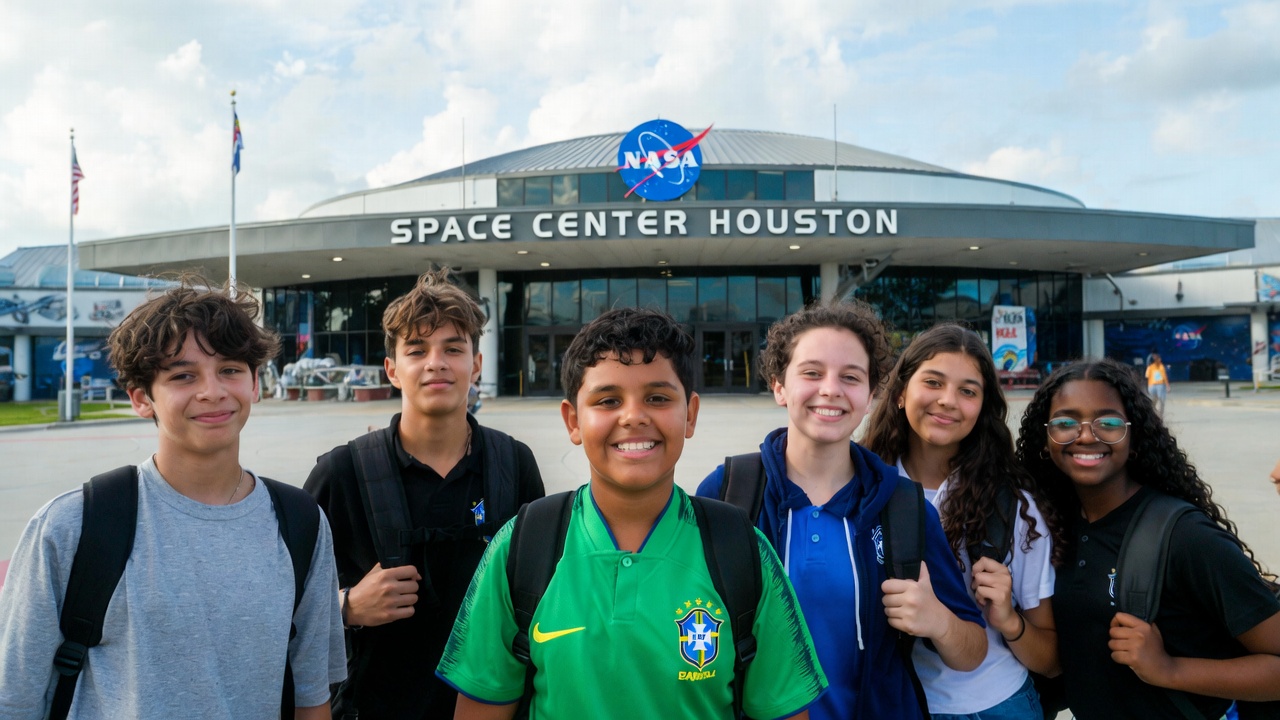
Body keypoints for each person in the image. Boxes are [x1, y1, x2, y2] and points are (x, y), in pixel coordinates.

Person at [438, 307, 827, 720]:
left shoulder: (744, 551)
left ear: (690, 414)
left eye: (657, 398)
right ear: (573, 420)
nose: (634, 416)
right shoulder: (522, 546)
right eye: (608, 400)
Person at [0, 277, 346, 718]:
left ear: (255, 384)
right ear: (142, 398)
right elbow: (14, 699)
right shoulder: (71, 526)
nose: (212, 391)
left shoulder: (301, 523)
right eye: (183, 375)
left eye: (230, 370)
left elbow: (311, 697)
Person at [697, 302, 987, 720]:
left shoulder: (903, 507)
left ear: (870, 396)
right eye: (812, 373)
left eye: (850, 377)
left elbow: (971, 650)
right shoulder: (727, 493)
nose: (831, 389)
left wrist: (937, 620)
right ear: (779, 385)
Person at [304, 268, 544, 719]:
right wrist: (347, 606)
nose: (436, 362)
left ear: (475, 364)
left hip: (492, 707)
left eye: (453, 348)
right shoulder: (341, 473)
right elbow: (286, 604)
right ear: (392, 369)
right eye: (417, 350)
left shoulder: (514, 465)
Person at [1016, 359, 1280, 719]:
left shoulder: (1184, 537)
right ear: (1045, 440)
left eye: (1108, 422)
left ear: (1134, 437)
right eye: (1065, 422)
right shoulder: (1051, 529)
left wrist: (1169, 669)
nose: (1087, 435)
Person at [863, 324, 1066, 718]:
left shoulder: (1012, 508)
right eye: (933, 382)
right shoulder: (859, 486)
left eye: (968, 391)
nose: (948, 401)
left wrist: (1009, 620)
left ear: (983, 407)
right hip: (887, 703)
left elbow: (1051, 660)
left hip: (995, 706)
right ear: (901, 392)